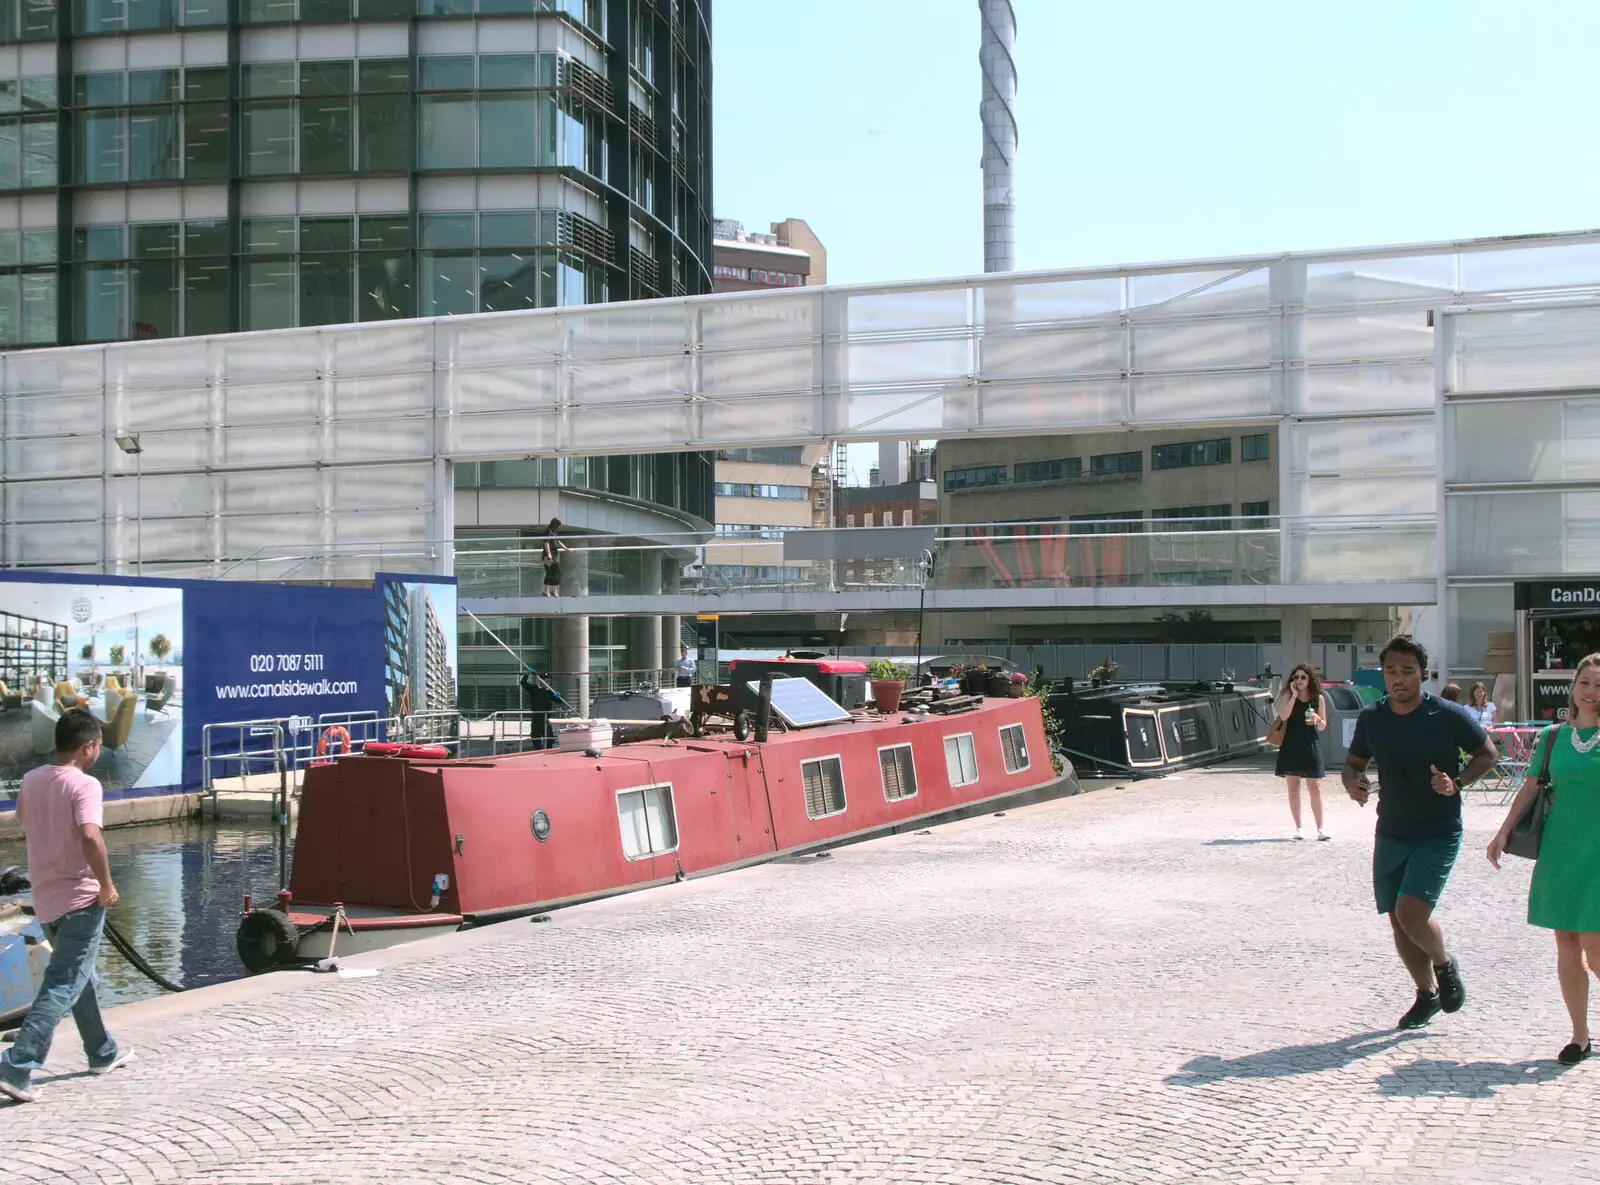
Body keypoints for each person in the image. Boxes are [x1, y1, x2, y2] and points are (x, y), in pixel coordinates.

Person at [1341, 636, 1498, 1030]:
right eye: (1391, 671)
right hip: (1390, 829)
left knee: (1411, 911)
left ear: (1422, 675)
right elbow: (1354, 762)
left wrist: (1457, 783)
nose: (1398, 679)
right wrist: (1353, 783)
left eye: (1407, 671)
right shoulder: (1372, 717)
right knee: (1397, 920)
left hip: (1438, 829)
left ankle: (1445, 965)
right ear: (1383, 674)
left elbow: (1489, 754)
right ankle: (1425, 995)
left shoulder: (1445, 714)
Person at [0, 709, 132, 1103]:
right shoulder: (85, 784)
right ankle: (17, 1065)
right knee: (63, 982)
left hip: (45, 899)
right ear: (88, 746)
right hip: (81, 898)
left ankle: (101, 1052)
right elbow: (90, 836)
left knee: (78, 975)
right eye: (96, 746)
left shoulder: (31, 780)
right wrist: (106, 884)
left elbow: (28, 820)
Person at [1487, 652, 1600, 1064]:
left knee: (1595, 945)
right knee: (1566, 942)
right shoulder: (1553, 736)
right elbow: (1531, 787)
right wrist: (1502, 833)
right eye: (1585, 683)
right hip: (1561, 849)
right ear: (1573, 687)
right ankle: (1580, 1035)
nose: (1592, 692)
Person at [1274, 663, 1329, 840]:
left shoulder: (1318, 698)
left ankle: (1321, 828)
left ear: (1309, 679)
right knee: (1293, 788)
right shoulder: (1287, 694)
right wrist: (1294, 696)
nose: (1299, 680)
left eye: (1303, 677)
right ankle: (1299, 828)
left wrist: (1317, 718)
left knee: (1315, 787)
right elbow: (1283, 716)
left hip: (1310, 744)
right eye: (1296, 677)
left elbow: (1323, 726)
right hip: (1291, 744)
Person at [540, 518, 571, 598]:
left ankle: (546, 591)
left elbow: (558, 541)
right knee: (556, 572)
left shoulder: (553, 532)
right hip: (548, 555)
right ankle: (552, 590)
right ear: (555, 525)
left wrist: (566, 548)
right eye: (558, 525)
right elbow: (546, 543)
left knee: (550, 573)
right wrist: (549, 554)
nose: (559, 527)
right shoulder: (547, 532)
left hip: (553, 554)